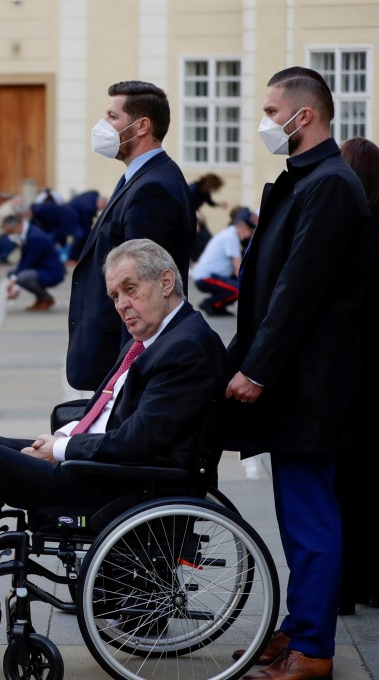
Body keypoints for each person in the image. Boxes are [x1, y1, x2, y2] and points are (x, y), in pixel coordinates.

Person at [0, 238, 226, 657]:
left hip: (121, 484)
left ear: (166, 281)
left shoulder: (185, 346)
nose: (121, 304)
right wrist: (63, 439)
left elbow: (138, 441)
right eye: (115, 295)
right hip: (100, 458)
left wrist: (63, 450)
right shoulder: (157, 337)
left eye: (130, 289)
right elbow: (112, 412)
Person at [221, 67, 370, 680]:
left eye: (270, 108)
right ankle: (300, 625)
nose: (264, 120)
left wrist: (255, 369)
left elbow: (297, 290)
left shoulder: (329, 184)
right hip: (300, 381)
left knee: (310, 517)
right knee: (296, 513)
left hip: (311, 384)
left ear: (303, 116)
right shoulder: (306, 180)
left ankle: (313, 649)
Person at [66, 80, 195, 392]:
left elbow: (144, 291)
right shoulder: (142, 178)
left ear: (142, 126)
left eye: (112, 117)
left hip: (121, 359)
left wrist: (129, 374)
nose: (103, 126)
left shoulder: (153, 188)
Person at [337, 136, 379, 616]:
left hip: (350, 377)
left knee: (342, 488)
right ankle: (369, 580)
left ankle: (344, 585)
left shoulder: (350, 233)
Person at [190, 207, 256, 317]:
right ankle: (210, 304)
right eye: (250, 230)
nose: (250, 234)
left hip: (211, 276)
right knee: (239, 289)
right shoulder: (231, 237)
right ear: (243, 227)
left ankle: (218, 307)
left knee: (238, 286)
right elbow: (238, 268)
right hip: (206, 277)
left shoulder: (229, 234)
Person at [2, 214, 64, 311]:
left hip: (51, 272)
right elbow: (24, 261)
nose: (10, 235)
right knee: (13, 273)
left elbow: (28, 263)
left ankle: (46, 298)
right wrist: (13, 277)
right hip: (41, 269)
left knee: (22, 277)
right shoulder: (28, 233)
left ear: (17, 226)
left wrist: (16, 286)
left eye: (11, 232)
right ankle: (41, 299)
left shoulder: (35, 237)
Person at [188, 173, 229, 263]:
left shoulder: (205, 192)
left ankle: (206, 258)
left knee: (208, 239)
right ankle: (195, 260)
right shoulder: (194, 189)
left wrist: (220, 204)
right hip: (188, 217)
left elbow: (209, 202)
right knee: (199, 239)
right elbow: (187, 205)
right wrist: (194, 221)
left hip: (195, 217)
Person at [65, 190, 108, 264]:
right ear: (101, 203)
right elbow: (86, 225)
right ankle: (72, 258)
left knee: (82, 235)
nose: (99, 210)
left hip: (73, 213)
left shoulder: (94, 194)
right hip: (71, 216)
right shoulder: (89, 208)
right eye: (102, 208)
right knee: (80, 236)